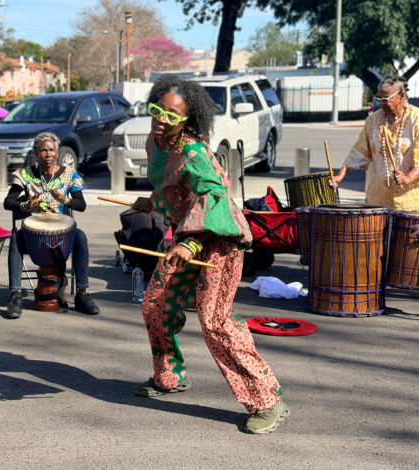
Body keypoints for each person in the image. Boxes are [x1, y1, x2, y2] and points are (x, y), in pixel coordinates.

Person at [130, 75, 288, 434]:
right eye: (157, 109)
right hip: (186, 236)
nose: (161, 119)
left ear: (188, 119)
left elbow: (213, 199)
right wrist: (153, 201)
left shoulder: (195, 152)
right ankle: (170, 376)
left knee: (215, 322)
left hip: (219, 238)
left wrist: (191, 244)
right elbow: (173, 186)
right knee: (155, 304)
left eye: (172, 115)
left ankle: (267, 400)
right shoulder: (156, 142)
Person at [3, 132, 100, 318]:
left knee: (80, 236)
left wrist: (65, 200)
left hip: (61, 236)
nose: (47, 154)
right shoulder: (25, 175)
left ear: (57, 152)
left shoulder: (69, 174)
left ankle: (82, 294)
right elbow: (8, 202)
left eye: (51, 150)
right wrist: (26, 205)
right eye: (43, 150)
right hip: (33, 235)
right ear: (36, 153)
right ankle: (15, 295)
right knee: (16, 238)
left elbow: (81, 205)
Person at [329, 76, 419, 210]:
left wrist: (407, 178)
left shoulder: (417, 120)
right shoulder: (373, 121)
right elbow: (359, 150)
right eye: (379, 99)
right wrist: (340, 175)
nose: (382, 103)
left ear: (401, 95)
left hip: (411, 202)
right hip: (379, 199)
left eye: (386, 99)